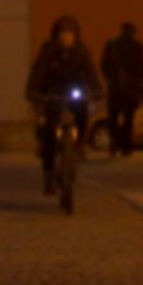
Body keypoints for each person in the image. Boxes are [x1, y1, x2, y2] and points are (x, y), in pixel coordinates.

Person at [25, 15, 101, 195]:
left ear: (75, 36)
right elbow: (38, 72)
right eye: (63, 34)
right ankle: (49, 174)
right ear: (57, 35)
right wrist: (34, 91)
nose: (67, 37)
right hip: (53, 95)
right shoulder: (48, 51)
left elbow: (90, 73)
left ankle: (79, 145)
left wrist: (95, 89)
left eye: (70, 34)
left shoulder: (81, 52)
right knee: (49, 131)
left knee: (82, 114)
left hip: (74, 94)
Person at [100, 21, 143, 158]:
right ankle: (126, 147)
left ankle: (114, 145)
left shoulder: (112, 45)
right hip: (130, 89)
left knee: (113, 119)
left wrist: (112, 79)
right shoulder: (137, 46)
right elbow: (142, 68)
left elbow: (104, 66)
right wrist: (137, 81)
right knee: (128, 119)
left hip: (115, 88)